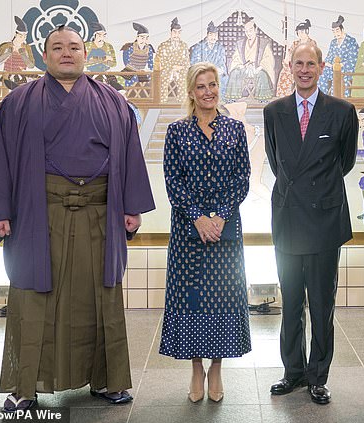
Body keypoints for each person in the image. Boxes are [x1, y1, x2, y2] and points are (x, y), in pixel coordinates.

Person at [0, 25, 155, 412]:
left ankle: (108, 380)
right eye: (58, 47)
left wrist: (131, 206)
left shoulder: (112, 102)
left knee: (100, 298)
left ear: (86, 53)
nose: (66, 53)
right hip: (41, 211)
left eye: (74, 47)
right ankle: (25, 387)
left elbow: (129, 156)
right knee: (35, 298)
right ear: (45, 55)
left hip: (99, 214)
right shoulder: (19, 102)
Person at [264, 43, 358, 405]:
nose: (305, 70)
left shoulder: (342, 111)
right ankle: (293, 372)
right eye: (298, 63)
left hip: (323, 218)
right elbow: (277, 162)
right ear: (290, 67)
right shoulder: (274, 111)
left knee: (321, 303)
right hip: (288, 216)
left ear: (321, 68)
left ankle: (318, 375)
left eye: (311, 64)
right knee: (290, 303)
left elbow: (344, 162)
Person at [159, 62, 251, 403]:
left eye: (213, 85)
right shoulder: (177, 132)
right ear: (191, 92)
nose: (208, 91)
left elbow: (241, 178)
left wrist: (221, 217)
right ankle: (196, 366)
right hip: (188, 232)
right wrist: (198, 218)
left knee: (223, 299)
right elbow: (174, 182)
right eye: (201, 86)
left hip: (226, 230)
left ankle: (217, 366)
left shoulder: (234, 130)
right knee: (192, 300)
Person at [225, 17, 276, 102]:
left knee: (262, 75)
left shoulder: (263, 42)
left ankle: (263, 99)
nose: (248, 33)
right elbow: (236, 58)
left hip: (258, 68)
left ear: (256, 30)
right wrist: (240, 65)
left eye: (250, 30)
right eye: (246, 31)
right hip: (244, 69)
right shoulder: (240, 43)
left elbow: (268, 58)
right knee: (235, 72)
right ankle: (233, 98)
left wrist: (261, 66)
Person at [318, 15, 359, 97]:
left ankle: (339, 101)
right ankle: (322, 99)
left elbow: (353, 59)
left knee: (339, 78)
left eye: (337, 30)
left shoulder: (351, 41)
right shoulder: (333, 42)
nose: (336, 33)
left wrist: (340, 65)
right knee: (321, 74)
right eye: (333, 31)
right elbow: (329, 56)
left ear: (342, 30)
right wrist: (327, 63)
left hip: (346, 68)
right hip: (333, 68)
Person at [275, 19, 317, 97]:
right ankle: (286, 96)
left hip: (308, 65)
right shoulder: (295, 43)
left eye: (302, 32)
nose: (300, 34)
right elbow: (289, 56)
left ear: (307, 32)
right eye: (299, 32)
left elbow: (314, 57)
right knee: (285, 72)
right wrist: (287, 48)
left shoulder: (312, 43)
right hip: (296, 64)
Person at [157, 18, 191, 103]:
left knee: (184, 81)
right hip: (166, 70)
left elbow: (187, 62)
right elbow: (161, 60)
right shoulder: (163, 45)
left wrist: (179, 68)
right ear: (171, 32)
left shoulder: (184, 45)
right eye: (175, 32)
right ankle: (162, 102)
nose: (177, 35)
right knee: (163, 79)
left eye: (179, 32)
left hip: (180, 70)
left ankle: (182, 103)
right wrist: (172, 68)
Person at [190, 21, 228, 92]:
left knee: (223, 78)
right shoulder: (199, 47)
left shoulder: (220, 48)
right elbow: (194, 62)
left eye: (215, 35)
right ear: (207, 35)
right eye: (211, 35)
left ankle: (219, 98)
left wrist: (218, 70)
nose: (213, 37)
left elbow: (222, 63)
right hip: (202, 71)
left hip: (215, 72)